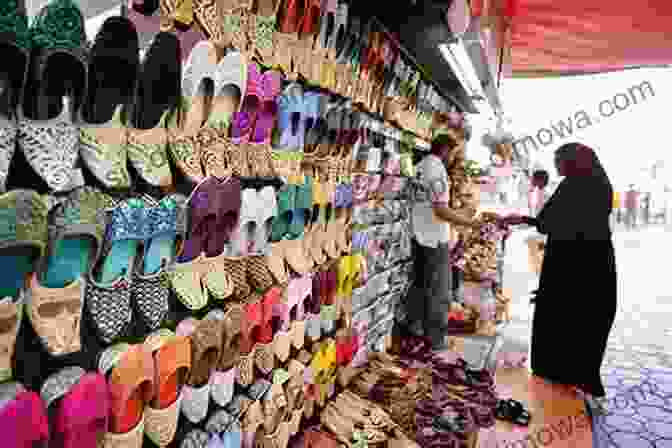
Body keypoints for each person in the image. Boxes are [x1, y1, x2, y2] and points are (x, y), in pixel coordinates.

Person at [502, 143, 616, 413]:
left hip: (571, 265)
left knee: (563, 317)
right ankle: (583, 381)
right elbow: (558, 221)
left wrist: (525, 220)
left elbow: (549, 221)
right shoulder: (599, 181)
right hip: (595, 264)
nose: (556, 166)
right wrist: (526, 220)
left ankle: (565, 378)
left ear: (572, 161)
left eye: (559, 160)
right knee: (587, 322)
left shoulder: (575, 185)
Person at [402, 132, 481, 349]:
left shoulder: (420, 167)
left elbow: (430, 205)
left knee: (422, 288)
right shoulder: (437, 171)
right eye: (454, 152)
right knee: (439, 293)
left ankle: (417, 336)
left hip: (419, 235)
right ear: (446, 150)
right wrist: (469, 223)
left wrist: (461, 214)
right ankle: (435, 341)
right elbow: (440, 210)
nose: (455, 158)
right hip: (434, 239)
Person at [525, 170, 550, 293]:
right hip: (541, 233)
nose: (531, 181)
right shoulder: (539, 192)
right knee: (539, 261)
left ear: (539, 180)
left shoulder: (546, 195)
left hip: (546, 234)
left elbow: (544, 218)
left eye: (533, 179)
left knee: (541, 261)